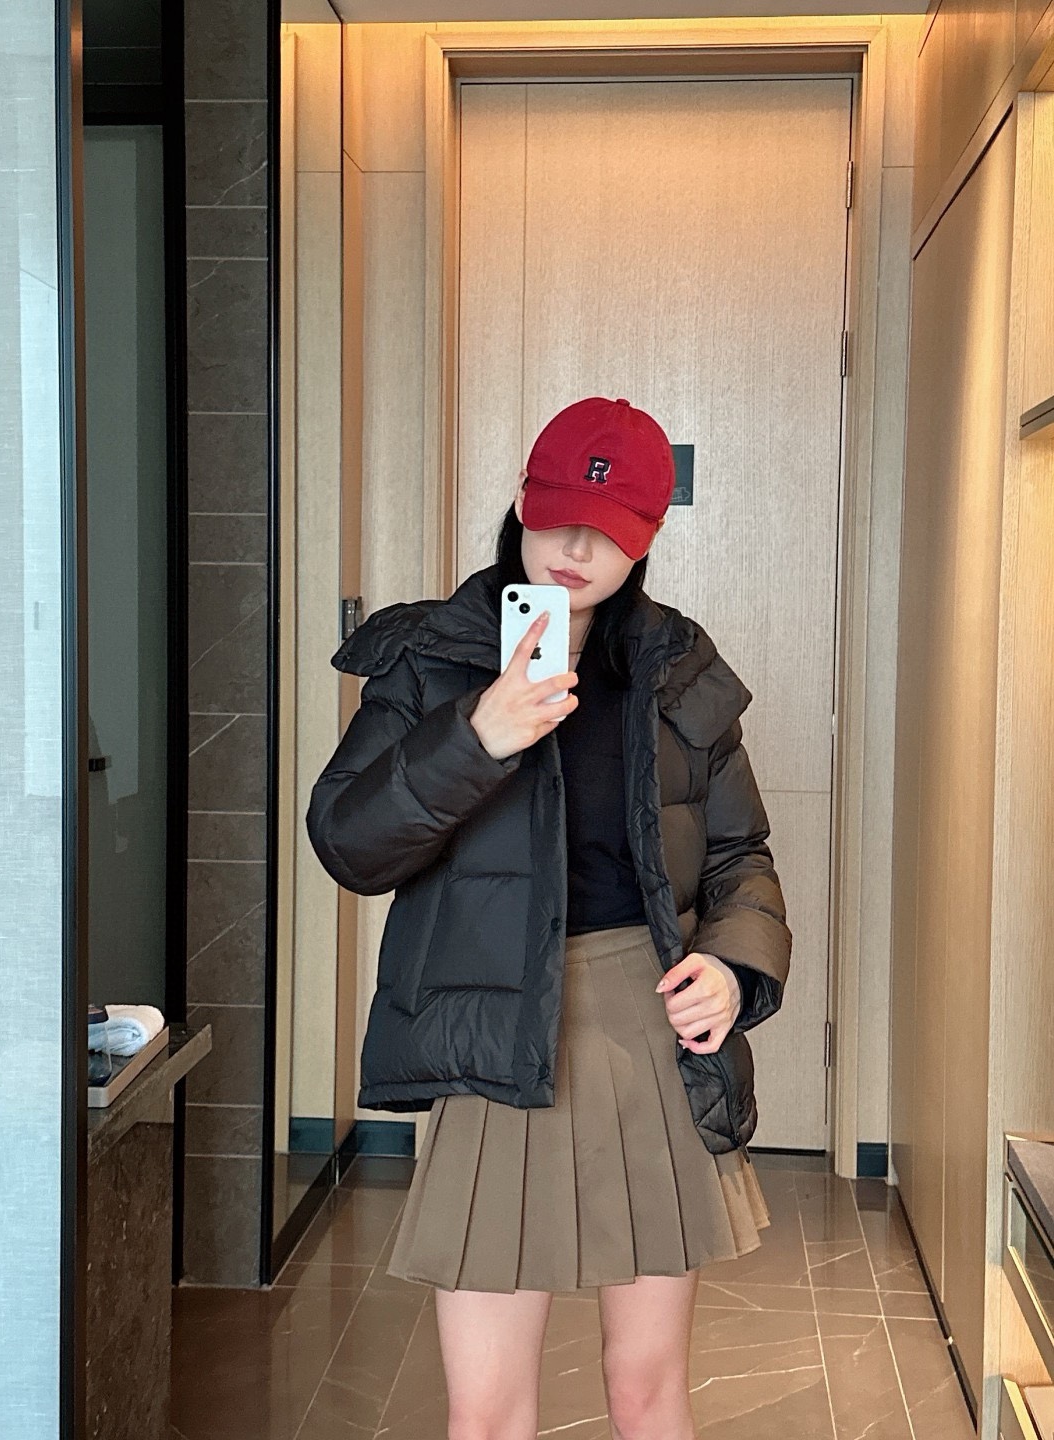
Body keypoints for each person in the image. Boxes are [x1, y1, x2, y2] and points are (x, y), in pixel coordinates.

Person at [306, 395, 792, 1440]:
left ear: (646, 538)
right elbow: (348, 843)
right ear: (523, 505)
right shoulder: (433, 657)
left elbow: (739, 855)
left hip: (651, 1028)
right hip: (493, 1030)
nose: (574, 548)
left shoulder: (675, 666)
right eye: (558, 516)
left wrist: (732, 966)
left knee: (648, 1389)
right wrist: (475, 736)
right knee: (486, 1414)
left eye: (606, 530)